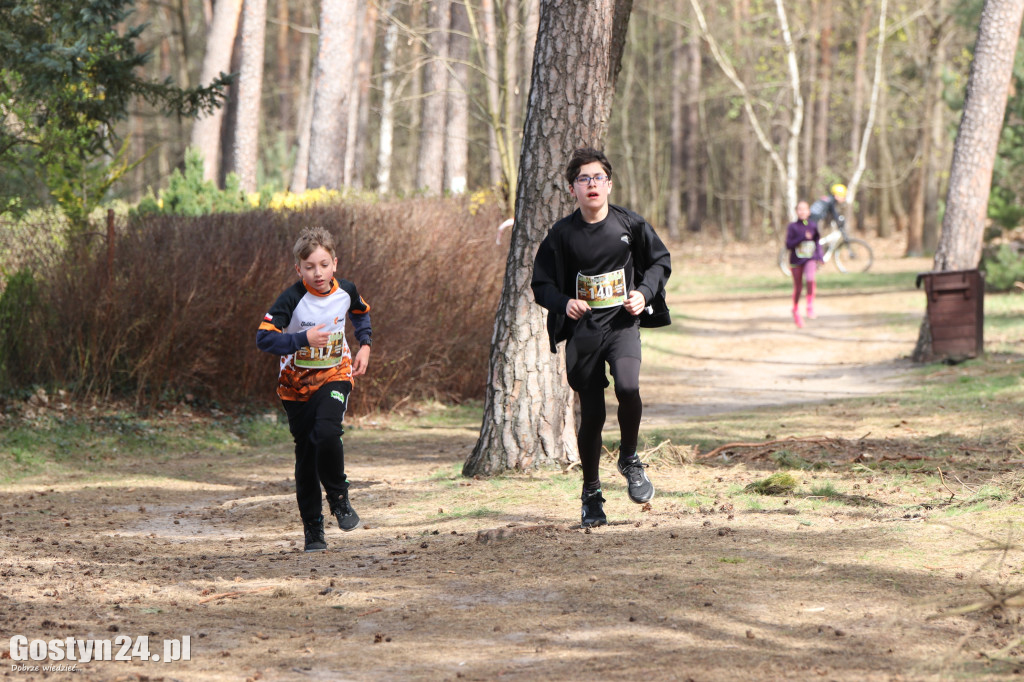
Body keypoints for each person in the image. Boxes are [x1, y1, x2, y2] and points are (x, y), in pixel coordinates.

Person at [531, 147, 671, 528]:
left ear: (608, 184)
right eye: (583, 179)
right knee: (591, 414)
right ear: (572, 189)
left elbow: (660, 261)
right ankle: (591, 492)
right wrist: (564, 303)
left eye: (598, 178)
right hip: (584, 333)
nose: (591, 184)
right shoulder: (561, 235)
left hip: (623, 325)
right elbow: (539, 285)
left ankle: (629, 458)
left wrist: (644, 292)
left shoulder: (630, 224)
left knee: (628, 387)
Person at [256, 227, 372, 552]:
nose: (317, 273)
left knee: (327, 431)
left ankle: (338, 498)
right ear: (299, 269)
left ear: (334, 263)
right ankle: (313, 528)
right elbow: (263, 338)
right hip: (295, 386)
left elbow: (361, 314)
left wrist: (365, 346)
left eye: (323, 265)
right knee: (306, 454)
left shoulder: (346, 291)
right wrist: (301, 340)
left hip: (335, 374)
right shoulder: (292, 299)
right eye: (309, 267)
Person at [785, 200, 823, 328]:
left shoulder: (812, 225)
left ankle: (809, 305)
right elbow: (788, 245)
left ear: (809, 211)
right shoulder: (793, 227)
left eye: (805, 209)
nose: (802, 212)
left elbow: (817, 242)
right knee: (798, 287)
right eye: (800, 209)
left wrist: (820, 257)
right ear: (796, 211)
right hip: (796, 261)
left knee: (810, 279)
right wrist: (802, 237)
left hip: (810, 259)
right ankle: (795, 309)